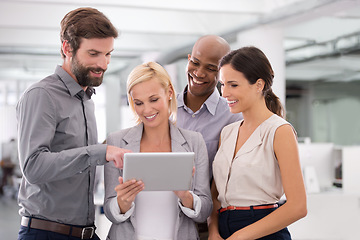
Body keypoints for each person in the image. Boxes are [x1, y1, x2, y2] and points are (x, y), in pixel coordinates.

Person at [16, 7, 130, 240]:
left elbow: (74, 156)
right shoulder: (42, 95)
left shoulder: (86, 99)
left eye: (108, 54)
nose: (104, 64)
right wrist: (100, 152)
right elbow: (33, 167)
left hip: (84, 232)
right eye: (94, 54)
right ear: (67, 48)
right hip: (46, 233)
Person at [103, 62, 212, 240]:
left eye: (153, 100)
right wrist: (122, 203)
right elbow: (109, 210)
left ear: (169, 92)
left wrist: (185, 196)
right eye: (138, 103)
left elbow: (204, 210)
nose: (147, 110)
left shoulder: (194, 142)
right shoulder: (117, 141)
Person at [208, 46, 307, 240]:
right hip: (223, 229)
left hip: (264, 231)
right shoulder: (227, 133)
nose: (224, 93)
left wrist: (239, 237)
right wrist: (213, 232)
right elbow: (215, 196)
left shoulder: (279, 131)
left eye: (233, 85)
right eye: (222, 84)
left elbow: (298, 206)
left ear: (259, 85)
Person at [176, 35, 242, 179]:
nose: (199, 73)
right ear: (188, 59)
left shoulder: (233, 117)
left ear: (223, 73)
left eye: (211, 68)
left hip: (207, 201)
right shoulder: (164, 108)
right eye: (195, 62)